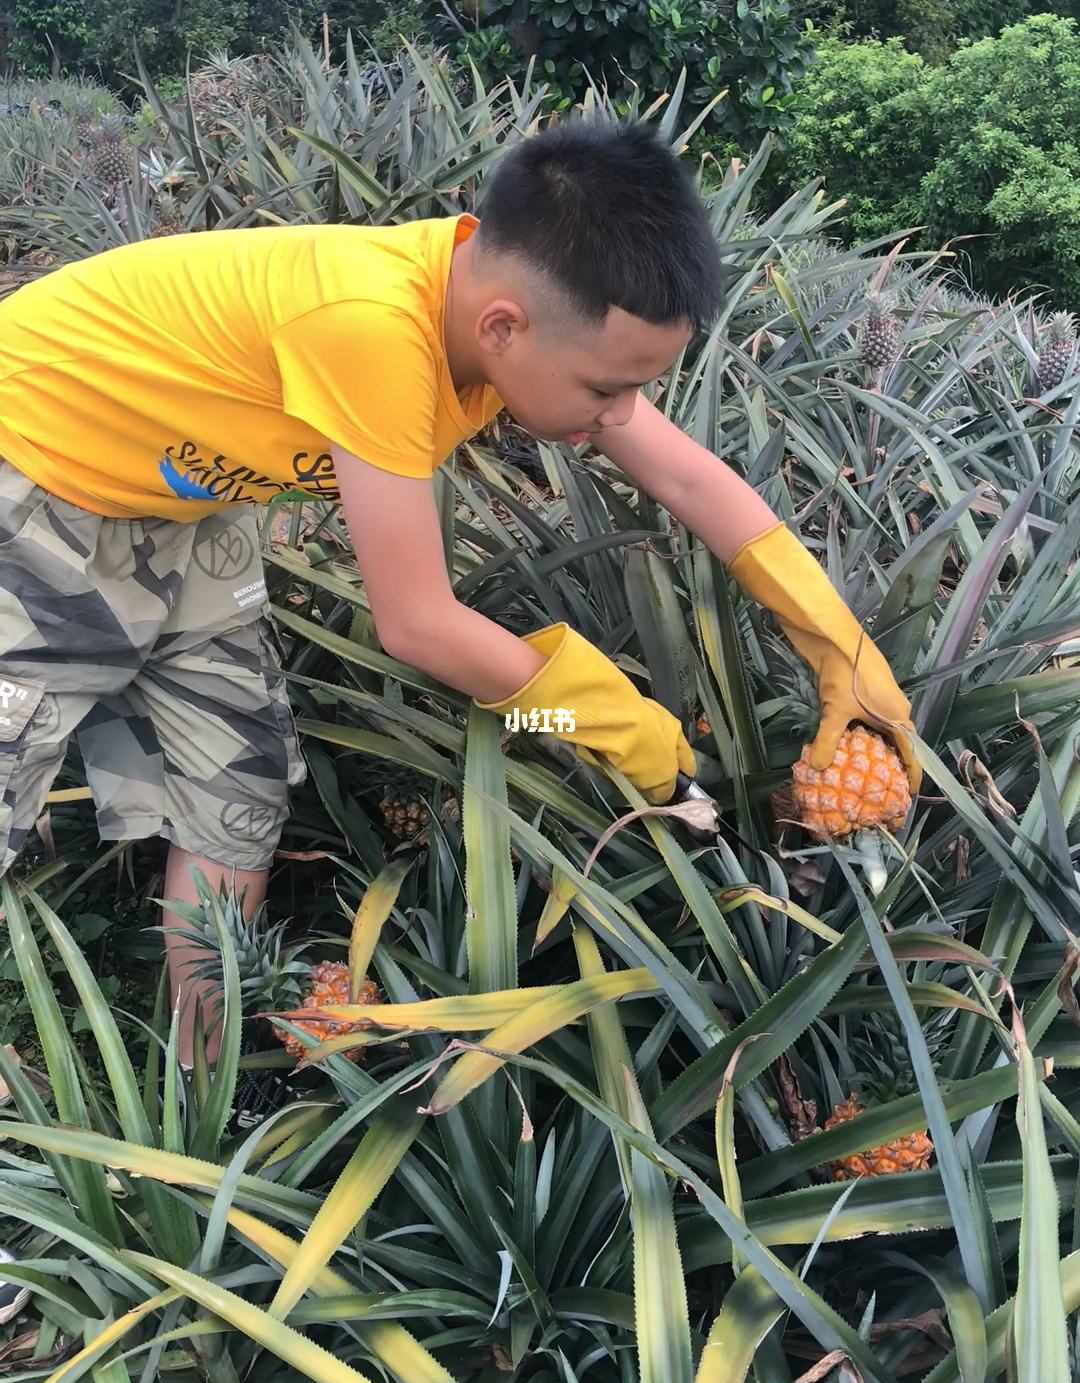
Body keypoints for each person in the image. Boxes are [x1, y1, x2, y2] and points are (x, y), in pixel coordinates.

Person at [0, 117, 921, 1069]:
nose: (620, 415)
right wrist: (621, 728)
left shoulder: (498, 308)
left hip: (190, 499)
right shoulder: (373, 332)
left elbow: (688, 480)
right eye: (609, 389)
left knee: (235, 787)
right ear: (505, 328)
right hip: (30, 477)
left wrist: (835, 647)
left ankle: (200, 1073)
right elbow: (417, 624)